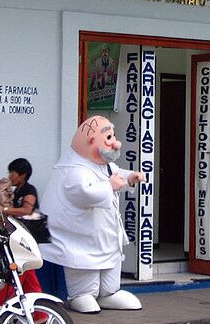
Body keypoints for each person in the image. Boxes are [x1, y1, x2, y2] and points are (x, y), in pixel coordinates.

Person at [40, 115, 145, 313]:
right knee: (84, 264)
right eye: (109, 138)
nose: (116, 143)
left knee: (110, 262)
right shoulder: (73, 168)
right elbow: (83, 193)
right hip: (80, 235)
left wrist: (130, 177)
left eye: (113, 136)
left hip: (105, 232)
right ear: (91, 142)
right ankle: (82, 295)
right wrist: (109, 186)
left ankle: (109, 293)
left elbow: (116, 173)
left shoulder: (102, 164)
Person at [0, 158, 45, 320]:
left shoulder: (29, 190)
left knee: (13, 274)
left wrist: (4, 209)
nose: (10, 176)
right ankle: (41, 313)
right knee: (28, 278)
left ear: (23, 175)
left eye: (13, 173)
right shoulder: (12, 191)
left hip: (24, 239)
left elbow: (27, 210)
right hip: (13, 237)